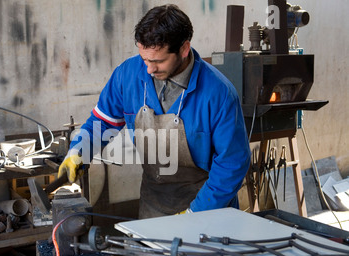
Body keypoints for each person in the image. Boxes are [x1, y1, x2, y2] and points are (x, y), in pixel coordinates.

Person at [58, 4, 251, 220]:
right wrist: (78, 151)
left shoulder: (218, 93)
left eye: (158, 61)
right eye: (144, 59)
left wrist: (195, 213)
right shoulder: (127, 75)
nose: (149, 69)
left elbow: (231, 163)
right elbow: (103, 123)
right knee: (152, 255)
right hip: (155, 203)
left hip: (208, 205)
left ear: (184, 49)